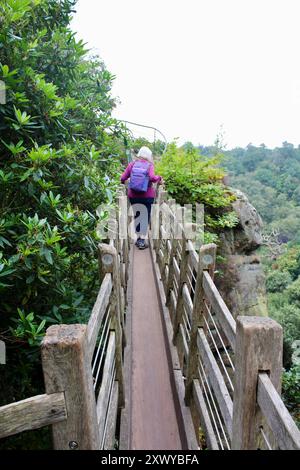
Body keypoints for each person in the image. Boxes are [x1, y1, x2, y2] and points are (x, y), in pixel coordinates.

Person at [121, 146, 163, 250]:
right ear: (149, 156)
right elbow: (153, 178)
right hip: (147, 196)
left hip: (133, 196)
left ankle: (139, 238)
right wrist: (160, 178)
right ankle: (141, 241)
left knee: (137, 215)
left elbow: (122, 178)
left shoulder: (132, 164)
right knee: (145, 216)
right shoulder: (150, 165)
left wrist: (126, 183)